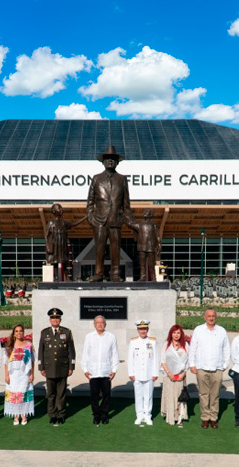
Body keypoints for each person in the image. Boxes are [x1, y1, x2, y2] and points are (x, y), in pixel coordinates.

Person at [86, 146, 134, 282]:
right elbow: (90, 201)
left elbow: (126, 204)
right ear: (103, 161)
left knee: (115, 249)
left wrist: (130, 221)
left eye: (113, 159)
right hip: (99, 220)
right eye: (108, 159)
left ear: (117, 162)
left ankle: (115, 273)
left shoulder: (122, 179)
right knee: (99, 249)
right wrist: (90, 217)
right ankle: (99, 273)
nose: (110, 161)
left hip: (116, 220)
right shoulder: (96, 179)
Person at [189, 308, 230, 429]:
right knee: (203, 394)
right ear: (204, 317)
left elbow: (226, 348)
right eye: (209, 316)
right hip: (202, 367)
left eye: (213, 316)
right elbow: (193, 348)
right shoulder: (199, 330)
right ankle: (205, 418)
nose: (211, 318)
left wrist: (224, 364)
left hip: (216, 368)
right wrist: (192, 364)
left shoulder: (221, 331)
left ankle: (213, 418)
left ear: (215, 317)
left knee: (215, 394)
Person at [38, 308, 75, 426]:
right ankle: (52, 415)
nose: (55, 320)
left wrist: (71, 366)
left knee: (61, 393)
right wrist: (41, 367)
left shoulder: (67, 332)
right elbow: (41, 351)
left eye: (57, 318)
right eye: (53, 318)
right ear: (50, 320)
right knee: (51, 394)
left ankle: (61, 414)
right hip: (49, 368)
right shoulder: (45, 333)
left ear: (60, 319)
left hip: (63, 368)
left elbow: (71, 351)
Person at [81, 315, 119, 426]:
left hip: (106, 371)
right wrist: (85, 369)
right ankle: (96, 415)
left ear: (105, 324)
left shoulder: (111, 337)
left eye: (102, 322)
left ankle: (104, 414)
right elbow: (85, 354)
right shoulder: (89, 337)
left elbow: (115, 354)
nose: (100, 324)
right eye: (97, 322)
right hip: (93, 372)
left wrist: (114, 370)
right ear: (94, 324)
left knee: (107, 395)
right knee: (94, 395)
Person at [128, 320, 159, 425]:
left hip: (149, 374)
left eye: (145, 329)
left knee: (148, 396)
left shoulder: (152, 341)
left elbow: (155, 358)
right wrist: (131, 373)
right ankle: (139, 415)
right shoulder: (133, 342)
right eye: (141, 329)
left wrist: (155, 373)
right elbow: (130, 359)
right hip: (137, 374)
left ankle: (147, 415)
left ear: (148, 329)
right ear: (137, 330)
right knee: (138, 395)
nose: (143, 331)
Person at [3, 324, 35, 425]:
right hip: (13, 374)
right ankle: (16, 415)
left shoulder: (29, 345)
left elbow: (32, 361)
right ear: (14, 333)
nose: (19, 333)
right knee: (15, 393)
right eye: (16, 331)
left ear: (23, 332)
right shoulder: (9, 346)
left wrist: (32, 374)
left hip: (24, 374)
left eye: (20, 331)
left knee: (24, 392)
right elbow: (6, 362)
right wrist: (7, 375)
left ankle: (24, 415)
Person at [160, 324, 189, 427]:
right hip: (169, 376)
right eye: (174, 332)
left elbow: (188, 362)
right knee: (170, 396)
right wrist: (169, 373)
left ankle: (179, 418)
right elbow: (162, 361)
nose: (176, 335)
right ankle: (170, 417)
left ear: (181, 334)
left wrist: (183, 373)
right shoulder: (166, 345)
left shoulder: (185, 345)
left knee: (180, 397)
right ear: (171, 334)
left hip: (181, 376)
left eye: (178, 332)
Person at [127, 208, 161, 281]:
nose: (144, 213)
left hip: (151, 247)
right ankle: (142, 277)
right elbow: (130, 224)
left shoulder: (154, 225)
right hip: (141, 247)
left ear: (150, 214)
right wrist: (126, 215)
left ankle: (153, 278)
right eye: (144, 212)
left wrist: (159, 245)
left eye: (147, 212)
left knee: (151, 264)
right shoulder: (140, 224)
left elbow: (157, 236)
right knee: (142, 264)